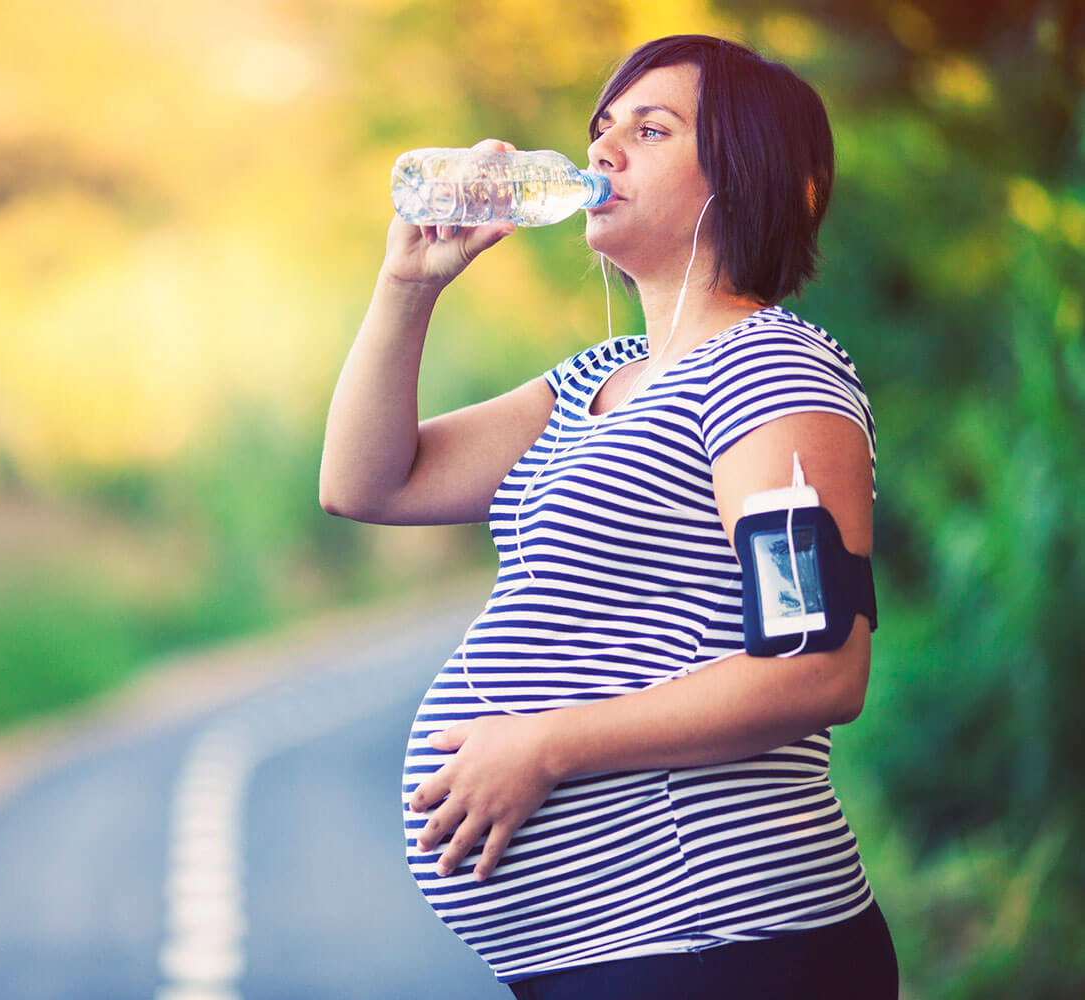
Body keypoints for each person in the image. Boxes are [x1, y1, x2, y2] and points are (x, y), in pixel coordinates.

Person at [319, 34, 899, 1000]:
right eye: (600, 132)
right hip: (620, 959)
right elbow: (367, 484)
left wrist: (547, 744)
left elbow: (817, 665)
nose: (603, 153)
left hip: (722, 945)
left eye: (651, 128)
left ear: (747, 173)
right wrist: (406, 288)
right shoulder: (595, 381)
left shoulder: (770, 376)